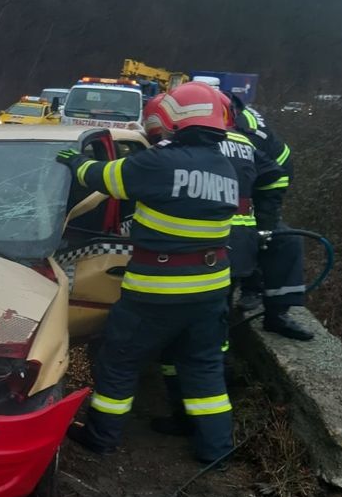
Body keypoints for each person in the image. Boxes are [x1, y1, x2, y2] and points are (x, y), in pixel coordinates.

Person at [56, 82, 238, 465]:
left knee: (119, 361)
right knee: (203, 368)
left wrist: (75, 162)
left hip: (157, 290)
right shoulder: (225, 167)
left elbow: (103, 177)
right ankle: (216, 449)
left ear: (176, 118)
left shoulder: (160, 163)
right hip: (211, 290)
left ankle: (101, 437)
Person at [151, 91, 285, 437]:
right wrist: (265, 220)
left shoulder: (181, 149)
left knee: (186, 336)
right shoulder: (243, 141)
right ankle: (215, 408)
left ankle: (188, 412)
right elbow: (277, 176)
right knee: (214, 332)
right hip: (239, 252)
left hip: (196, 252)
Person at [225, 93, 312, 340]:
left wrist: (265, 225)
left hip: (258, 190)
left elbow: (277, 176)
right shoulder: (215, 126)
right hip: (221, 198)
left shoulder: (249, 133)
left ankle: (276, 314)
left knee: (284, 241)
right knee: (237, 244)